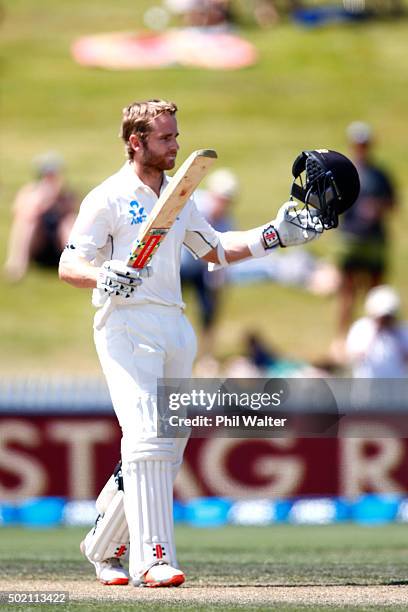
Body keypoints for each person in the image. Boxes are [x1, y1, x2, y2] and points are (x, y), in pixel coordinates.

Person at [58, 99, 328, 588]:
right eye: (165, 139)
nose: (176, 145)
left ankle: (101, 546)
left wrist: (277, 234)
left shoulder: (177, 195)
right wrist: (105, 273)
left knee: (169, 442)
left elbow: (216, 250)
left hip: (174, 325)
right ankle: (152, 558)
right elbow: (68, 264)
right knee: (145, 437)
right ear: (135, 142)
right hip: (126, 324)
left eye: (176, 136)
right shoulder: (108, 197)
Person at [335, 121, 397, 345]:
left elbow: (393, 203)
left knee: (375, 293)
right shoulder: (344, 172)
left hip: (374, 240)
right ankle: (342, 339)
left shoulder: (380, 175)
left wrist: (377, 207)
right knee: (347, 293)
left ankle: (376, 339)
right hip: (350, 238)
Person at [180, 168, 237, 356]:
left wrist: (218, 282)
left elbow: (223, 253)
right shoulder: (193, 205)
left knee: (209, 309)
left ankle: (206, 354)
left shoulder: (226, 222)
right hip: (178, 265)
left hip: (202, 269)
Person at [4, 152, 77, 282]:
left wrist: (57, 199)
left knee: (68, 222)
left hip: (58, 246)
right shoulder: (30, 192)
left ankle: (76, 262)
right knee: (28, 223)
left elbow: (73, 214)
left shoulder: (66, 194)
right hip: (38, 244)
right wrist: (45, 200)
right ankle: (17, 264)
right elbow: (22, 213)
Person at [346, 285, 408, 378]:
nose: (385, 320)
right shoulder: (362, 328)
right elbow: (354, 355)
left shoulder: (402, 330)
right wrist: (375, 332)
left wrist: (396, 335)